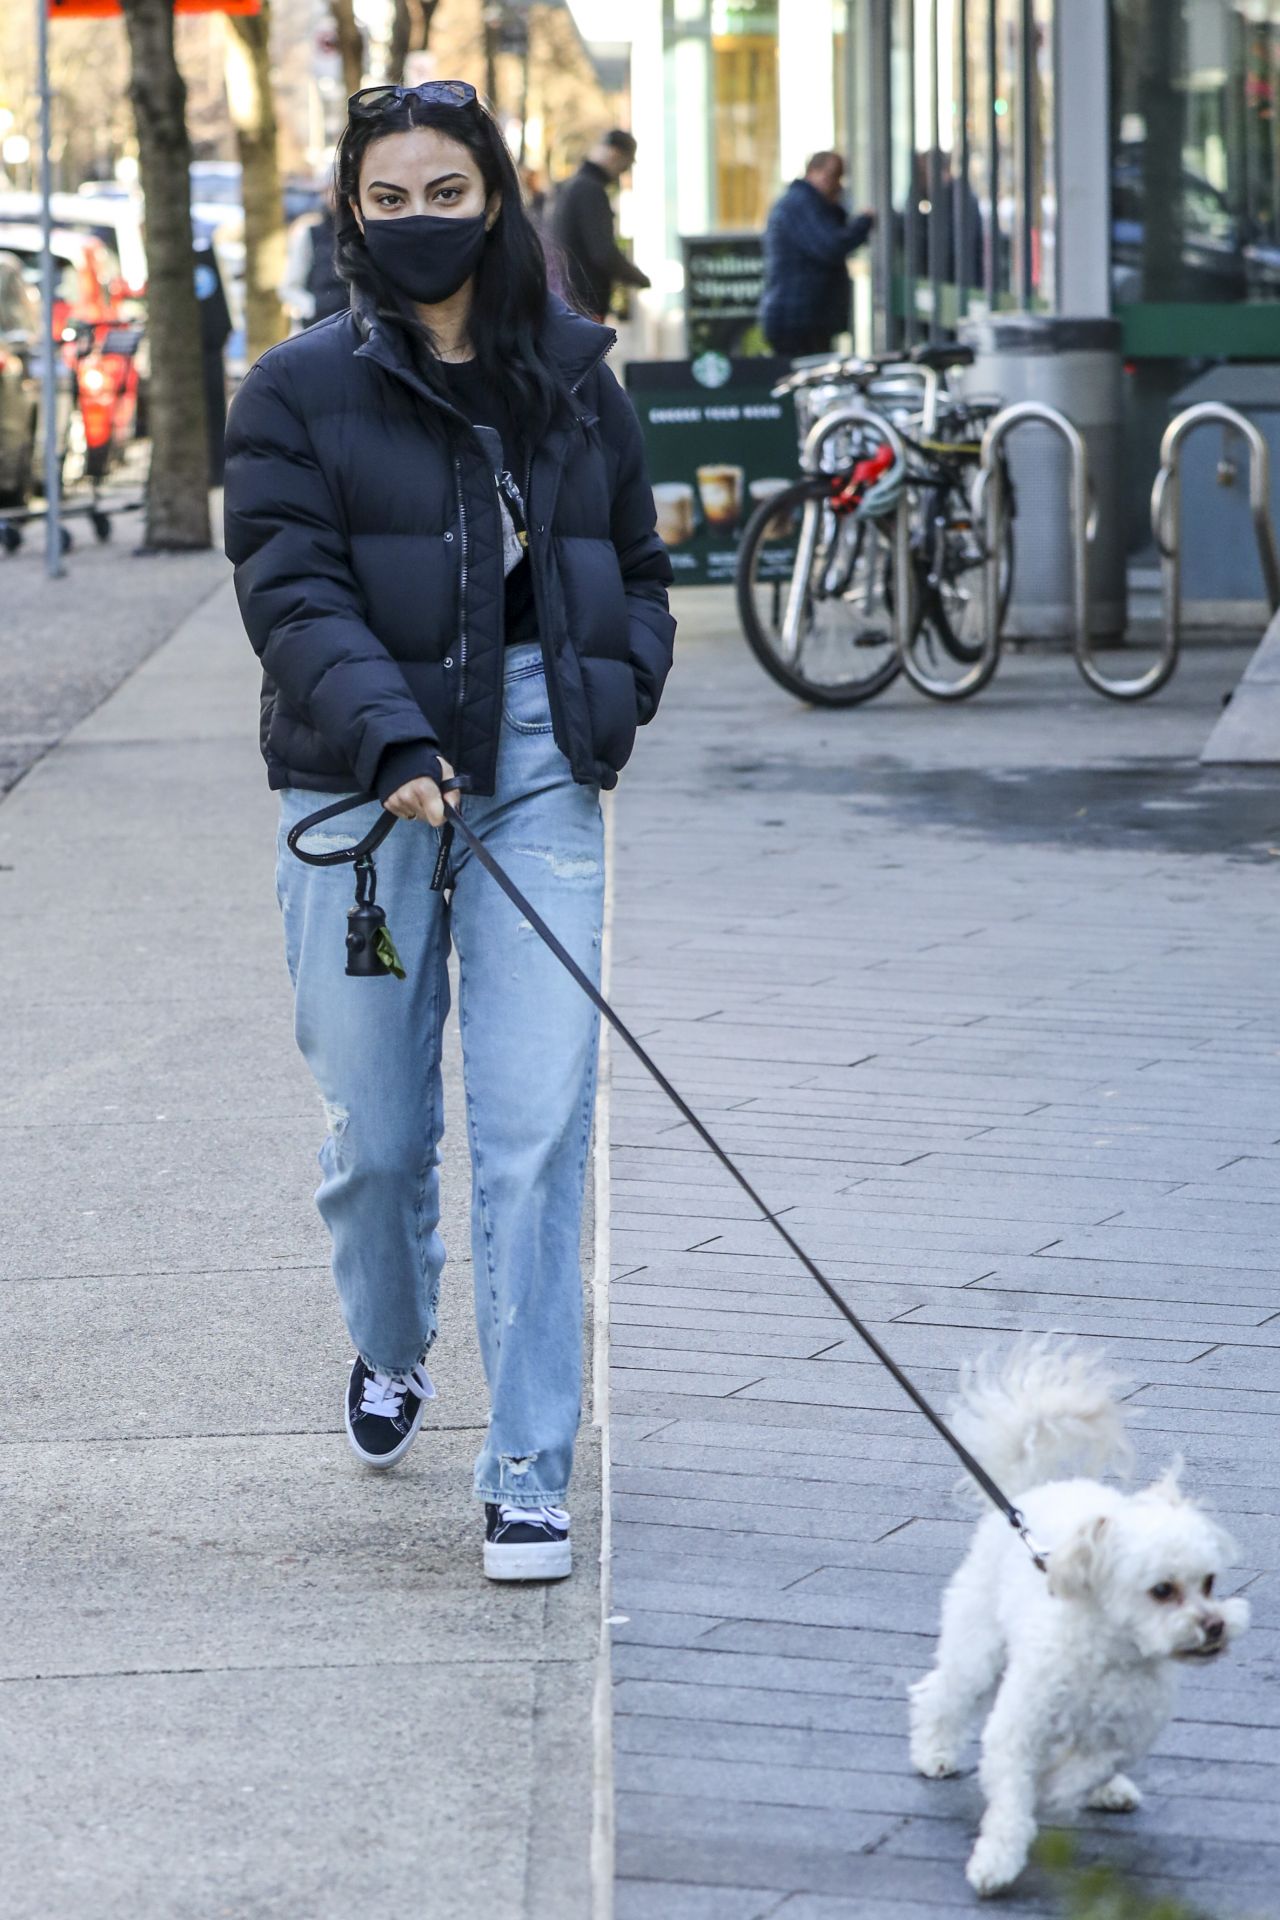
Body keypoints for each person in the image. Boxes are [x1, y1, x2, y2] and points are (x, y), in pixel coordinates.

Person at [222, 80, 675, 1582]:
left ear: (500, 196)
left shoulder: (578, 378)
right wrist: (389, 734)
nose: (422, 223)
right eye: (390, 200)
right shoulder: (294, 390)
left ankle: (532, 1460)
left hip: (541, 761)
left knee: (539, 1129)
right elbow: (291, 591)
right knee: (379, 1133)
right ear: (354, 213)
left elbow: (639, 566)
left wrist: (618, 696)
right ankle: (391, 1333)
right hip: (361, 780)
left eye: (448, 194)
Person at [760, 150, 874, 359]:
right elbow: (830, 246)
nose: (836, 184)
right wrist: (862, 224)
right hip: (796, 318)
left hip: (806, 317)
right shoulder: (800, 203)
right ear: (814, 172)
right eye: (832, 176)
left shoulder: (810, 204)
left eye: (840, 177)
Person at [548, 129, 651, 322]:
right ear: (615, 155)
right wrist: (638, 278)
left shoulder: (572, 185)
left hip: (569, 300)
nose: (623, 172)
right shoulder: (590, 190)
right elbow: (603, 252)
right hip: (584, 303)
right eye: (625, 165)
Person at [280, 186, 349, 330]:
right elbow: (289, 286)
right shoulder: (310, 233)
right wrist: (312, 306)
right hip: (318, 325)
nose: (336, 196)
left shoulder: (365, 235)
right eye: (331, 190)